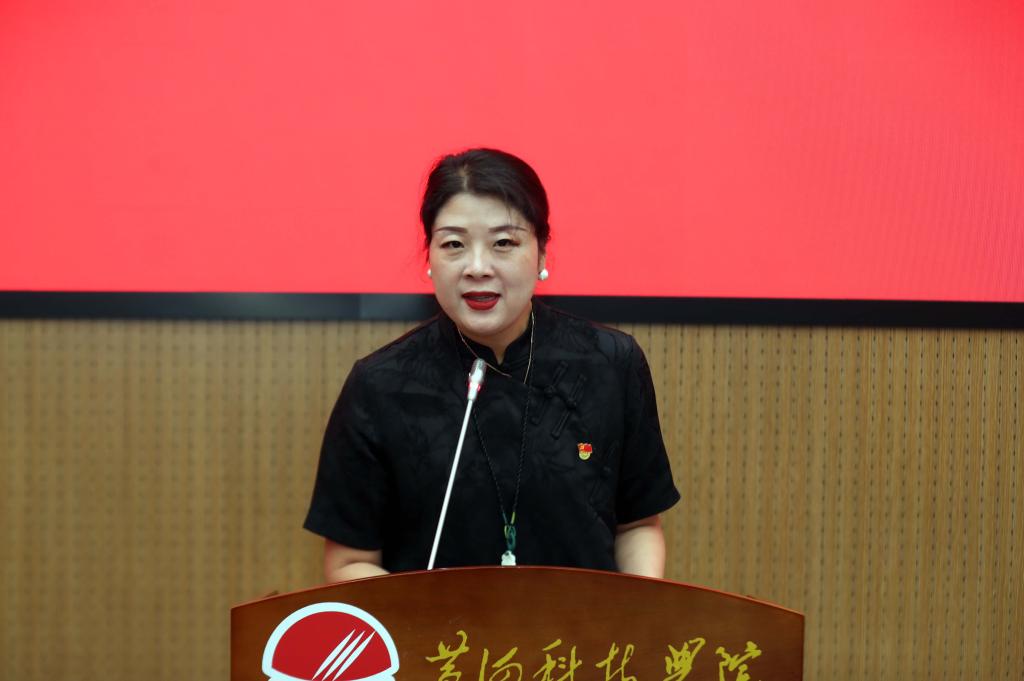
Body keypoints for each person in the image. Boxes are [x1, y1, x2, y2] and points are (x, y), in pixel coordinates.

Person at [304, 148, 679, 582]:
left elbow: (637, 526)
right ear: (429, 258)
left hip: (583, 628)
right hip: (437, 628)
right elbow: (350, 561)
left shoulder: (610, 363)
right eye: (454, 245)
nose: (477, 268)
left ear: (541, 254)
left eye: (503, 243)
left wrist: (635, 613)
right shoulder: (379, 386)